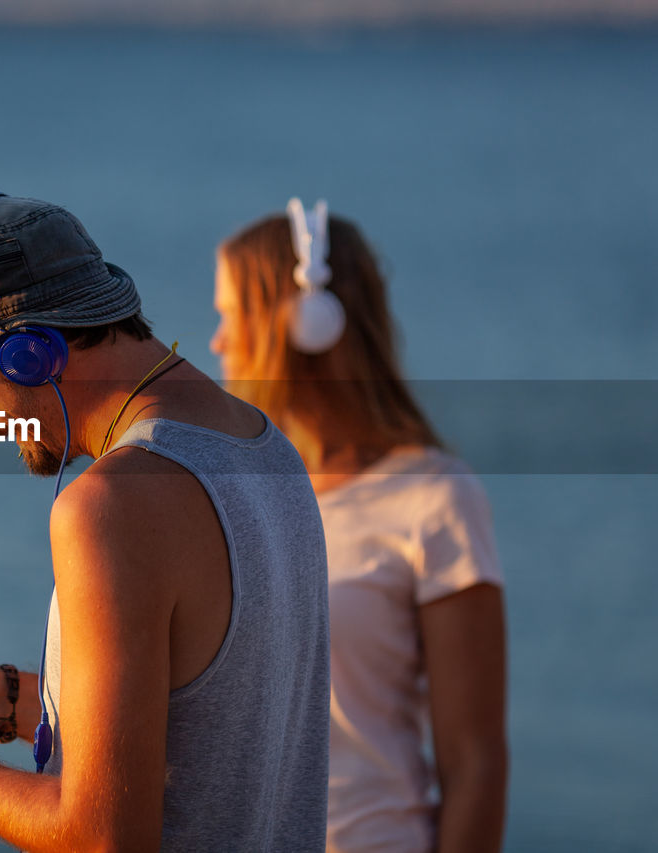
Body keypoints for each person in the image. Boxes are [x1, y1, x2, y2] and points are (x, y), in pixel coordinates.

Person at [0, 190, 330, 851]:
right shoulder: (270, 449)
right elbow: (224, 719)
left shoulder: (114, 505)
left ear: (30, 352)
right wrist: (7, 699)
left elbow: (101, 836)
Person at [210, 198, 508, 853]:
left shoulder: (434, 497)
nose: (218, 341)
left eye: (231, 315)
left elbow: (476, 763)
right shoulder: (229, 493)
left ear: (304, 324)